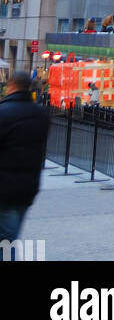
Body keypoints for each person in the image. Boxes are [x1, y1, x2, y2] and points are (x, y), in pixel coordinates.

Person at [0, 70, 51, 254]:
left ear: (11, 86)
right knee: (10, 236)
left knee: (6, 240)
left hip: (5, 189)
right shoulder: (40, 114)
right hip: (28, 186)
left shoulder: (4, 113)